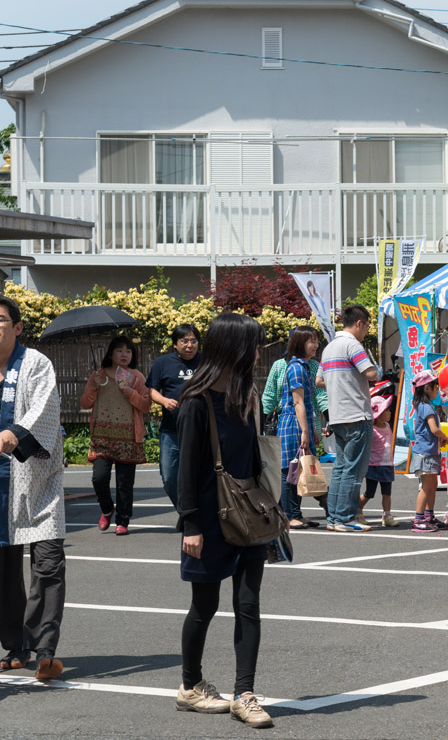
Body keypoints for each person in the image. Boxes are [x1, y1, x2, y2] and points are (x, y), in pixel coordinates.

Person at [174, 312, 273, 728]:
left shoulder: (247, 396)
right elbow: (185, 470)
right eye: (251, 345)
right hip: (209, 519)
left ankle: (244, 694)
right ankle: (190, 686)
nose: (255, 353)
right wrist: (191, 524)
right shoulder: (196, 402)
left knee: (248, 605)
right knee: (205, 605)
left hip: (249, 515)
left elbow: (254, 461)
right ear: (233, 348)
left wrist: (272, 512)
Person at [0, 295, 67, 681]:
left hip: (36, 480)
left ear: (18, 326)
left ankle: (44, 649)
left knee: (47, 565)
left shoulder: (36, 363)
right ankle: (15, 644)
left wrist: (13, 433)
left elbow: (44, 409)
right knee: (3, 570)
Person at [81, 335, 151, 536]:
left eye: (128, 351)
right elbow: (85, 403)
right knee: (99, 478)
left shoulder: (136, 377)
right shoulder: (99, 375)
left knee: (124, 484)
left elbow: (146, 405)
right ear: (111, 353)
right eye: (119, 350)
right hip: (101, 438)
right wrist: (93, 387)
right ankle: (106, 508)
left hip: (128, 437)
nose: (124, 354)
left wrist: (129, 392)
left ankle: (123, 521)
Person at [317, 305, 378, 532]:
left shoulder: (329, 347)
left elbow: (319, 381)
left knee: (341, 468)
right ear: (360, 323)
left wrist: (340, 379)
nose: (367, 330)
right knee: (353, 470)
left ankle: (334, 518)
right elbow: (372, 374)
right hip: (356, 413)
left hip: (337, 415)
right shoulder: (353, 345)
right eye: (368, 325)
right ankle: (345, 518)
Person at [147, 324, 202, 509]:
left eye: (194, 341)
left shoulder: (206, 362)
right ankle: (186, 513)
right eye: (184, 341)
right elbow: (152, 390)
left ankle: (195, 517)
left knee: (200, 476)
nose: (189, 345)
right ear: (175, 344)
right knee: (169, 476)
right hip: (171, 430)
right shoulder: (162, 363)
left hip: (201, 430)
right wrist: (164, 401)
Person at [277, 327, 323, 531]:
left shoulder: (303, 366)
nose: (315, 345)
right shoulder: (296, 368)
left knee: (299, 468)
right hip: (293, 423)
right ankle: (288, 516)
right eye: (311, 341)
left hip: (301, 422)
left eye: (316, 341)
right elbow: (298, 403)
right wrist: (305, 430)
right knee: (290, 470)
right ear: (299, 343)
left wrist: (311, 429)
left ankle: (296, 514)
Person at [263, 331, 327, 440]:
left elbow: (322, 396)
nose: (317, 346)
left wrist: (329, 417)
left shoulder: (314, 366)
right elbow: (270, 396)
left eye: (317, 342)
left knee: (307, 457)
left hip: (310, 424)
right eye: (313, 342)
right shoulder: (281, 366)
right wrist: (262, 422)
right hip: (290, 426)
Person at [407, 370, 448, 533]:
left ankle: (429, 516)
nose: (437, 389)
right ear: (426, 388)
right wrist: (443, 435)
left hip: (430, 453)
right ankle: (418, 519)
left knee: (432, 485)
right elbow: (434, 429)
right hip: (425, 454)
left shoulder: (424, 406)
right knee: (426, 487)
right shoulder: (427, 408)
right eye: (435, 386)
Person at [358, 395, 402, 528]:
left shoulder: (387, 426)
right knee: (369, 493)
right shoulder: (371, 429)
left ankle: (387, 515)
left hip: (387, 465)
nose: (389, 412)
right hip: (374, 465)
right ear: (378, 414)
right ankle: (357, 510)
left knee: (387, 493)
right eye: (386, 411)